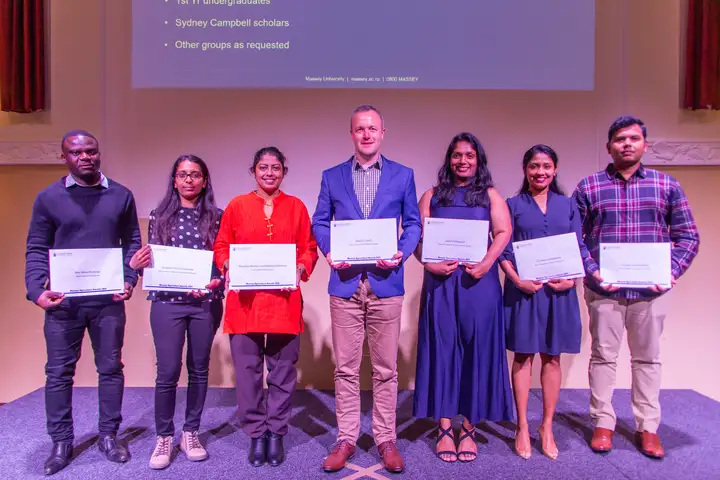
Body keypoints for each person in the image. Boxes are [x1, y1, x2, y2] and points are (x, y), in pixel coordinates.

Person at [573, 115, 700, 459]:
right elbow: (575, 239)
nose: (626, 144)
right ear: (609, 147)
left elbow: (688, 236)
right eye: (619, 139)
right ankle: (602, 422)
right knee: (602, 357)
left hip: (651, 292)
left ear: (644, 144)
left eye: (632, 139)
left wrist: (671, 271)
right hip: (605, 291)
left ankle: (648, 426)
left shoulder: (666, 185)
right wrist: (593, 271)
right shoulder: (589, 187)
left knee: (647, 359)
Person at [311, 105, 422, 474]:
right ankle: (346, 437)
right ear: (352, 134)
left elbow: (413, 225)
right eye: (360, 129)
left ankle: (385, 438)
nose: (367, 134)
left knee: (386, 369)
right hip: (345, 284)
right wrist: (329, 251)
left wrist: (401, 253)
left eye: (373, 128)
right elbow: (320, 222)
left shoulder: (403, 175)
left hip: (386, 284)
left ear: (383, 132)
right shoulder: (332, 176)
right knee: (345, 369)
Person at [24, 130, 142, 476]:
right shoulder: (48, 198)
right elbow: (35, 248)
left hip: (107, 302)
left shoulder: (121, 195)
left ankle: (109, 436)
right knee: (59, 373)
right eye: (77, 153)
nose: (85, 157)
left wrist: (129, 279)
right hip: (63, 304)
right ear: (65, 158)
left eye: (91, 151)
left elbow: (132, 242)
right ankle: (61, 442)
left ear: (99, 153)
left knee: (110, 369)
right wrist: (36, 290)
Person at [412, 132, 514, 464]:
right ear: (449, 159)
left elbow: (503, 233)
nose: (463, 161)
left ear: (478, 160)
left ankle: (468, 427)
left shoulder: (490, 195)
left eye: (469, 156)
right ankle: (444, 427)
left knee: (476, 351)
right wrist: (428, 262)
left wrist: (486, 263)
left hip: (478, 283)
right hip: (440, 282)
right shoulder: (431, 194)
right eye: (457, 155)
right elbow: (415, 235)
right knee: (442, 351)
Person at [213, 146, 318, 468]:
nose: (269, 173)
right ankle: (256, 433)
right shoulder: (237, 205)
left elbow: (309, 248)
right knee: (247, 373)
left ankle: (276, 432)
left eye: (275, 168)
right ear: (253, 171)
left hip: (284, 304)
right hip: (244, 305)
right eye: (263, 167)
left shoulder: (297, 206)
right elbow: (220, 245)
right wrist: (229, 262)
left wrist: (301, 268)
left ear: (284, 171)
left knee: (283, 373)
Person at [128, 155, 224, 470]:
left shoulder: (218, 217)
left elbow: (223, 264)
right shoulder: (159, 216)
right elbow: (153, 266)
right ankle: (165, 435)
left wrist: (216, 282)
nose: (188, 180)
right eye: (182, 174)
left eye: (195, 175)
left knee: (198, 369)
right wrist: (138, 267)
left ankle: (191, 432)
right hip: (167, 304)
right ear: (174, 180)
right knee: (167, 371)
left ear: (205, 180)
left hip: (204, 303)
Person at [500, 144, 589, 460]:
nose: (540, 172)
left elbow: (578, 246)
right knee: (523, 356)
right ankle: (522, 425)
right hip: (525, 291)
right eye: (534, 166)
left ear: (555, 168)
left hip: (559, 293)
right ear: (525, 169)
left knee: (552, 358)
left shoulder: (568, 205)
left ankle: (546, 426)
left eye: (546, 166)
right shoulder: (512, 205)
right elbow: (503, 247)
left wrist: (573, 278)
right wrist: (516, 280)